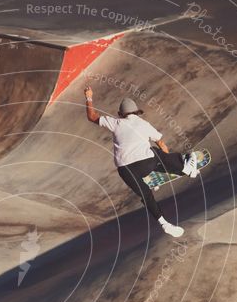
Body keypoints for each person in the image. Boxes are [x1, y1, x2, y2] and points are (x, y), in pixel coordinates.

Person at [84, 86, 198, 237]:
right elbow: (162, 144)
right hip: (147, 163)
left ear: (120, 114)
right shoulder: (144, 124)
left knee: (146, 195)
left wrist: (89, 96)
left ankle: (164, 223)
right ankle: (185, 168)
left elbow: (92, 116)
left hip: (125, 170)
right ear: (137, 112)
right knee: (156, 153)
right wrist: (169, 161)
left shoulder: (116, 123)